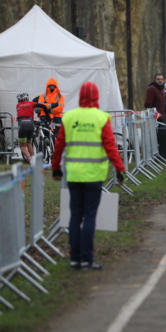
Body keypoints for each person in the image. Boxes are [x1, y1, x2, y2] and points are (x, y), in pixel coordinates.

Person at [51, 82, 125, 270]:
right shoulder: (101, 118)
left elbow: (59, 145)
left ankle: (75, 259)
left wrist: (55, 168)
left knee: (75, 216)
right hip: (94, 176)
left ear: (81, 96)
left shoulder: (70, 118)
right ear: (96, 97)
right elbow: (110, 146)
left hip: (74, 175)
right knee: (90, 216)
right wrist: (119, 168)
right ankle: (87, 258)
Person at [15, 92, 44, 162]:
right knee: (29, 143)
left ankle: (29, 158)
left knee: (22, 146)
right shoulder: (31, 103)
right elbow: (39, 105)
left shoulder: (18, 105)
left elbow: (18, 118)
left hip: (22, 126)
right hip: (31, 124)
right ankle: (34, 159)